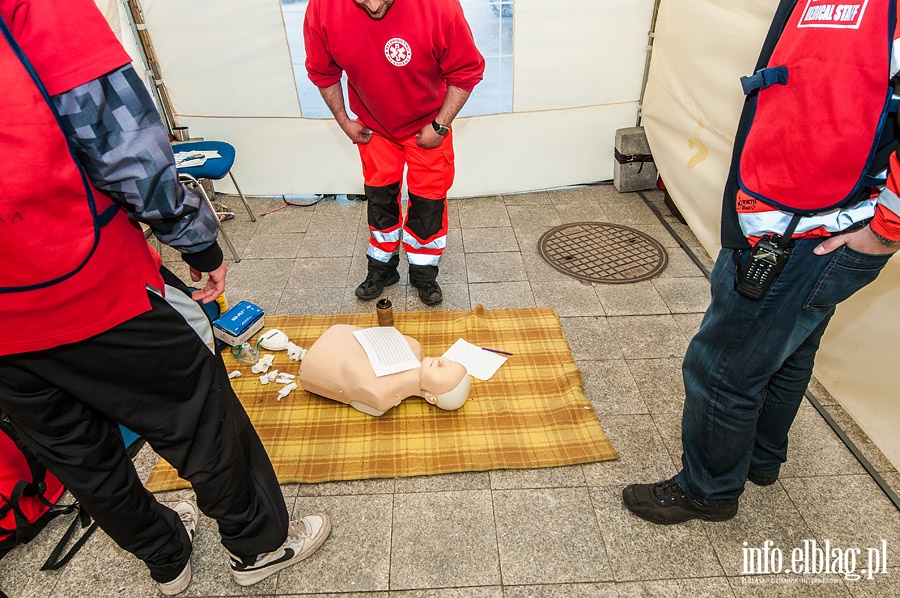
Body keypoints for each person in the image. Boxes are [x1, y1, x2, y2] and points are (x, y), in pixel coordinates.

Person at [0, 1, 329, 594]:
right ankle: (259, 546)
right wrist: (198, 245)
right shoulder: (40, 10)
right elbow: (126, 148)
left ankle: (166, 558)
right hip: (83, 284)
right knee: (200, 417)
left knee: (82, 459)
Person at [623, 0, 900, 524]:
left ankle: (709, 489)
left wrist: (885, 231)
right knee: (790, 349)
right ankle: (761, 458)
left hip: (810, 234)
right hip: (788, 219)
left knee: (723, 368)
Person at [303, 0, 485, 305]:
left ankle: (423, 275)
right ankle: (382, 268)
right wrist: (345, 122)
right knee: (380, 200)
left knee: (428, 205)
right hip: (374, 127)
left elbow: (466, 72)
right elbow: (323, 73)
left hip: (428, 126)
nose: (374, 6)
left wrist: (439, 126)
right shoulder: (322, 7)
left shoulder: (439, 7)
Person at [297, 324, 471, 416]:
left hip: (315, 363)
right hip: (335, 336)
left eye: (444, 372)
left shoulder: (382, 396)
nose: (442, 362)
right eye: (451, 363)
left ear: (431, 398)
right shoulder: (414, 345)